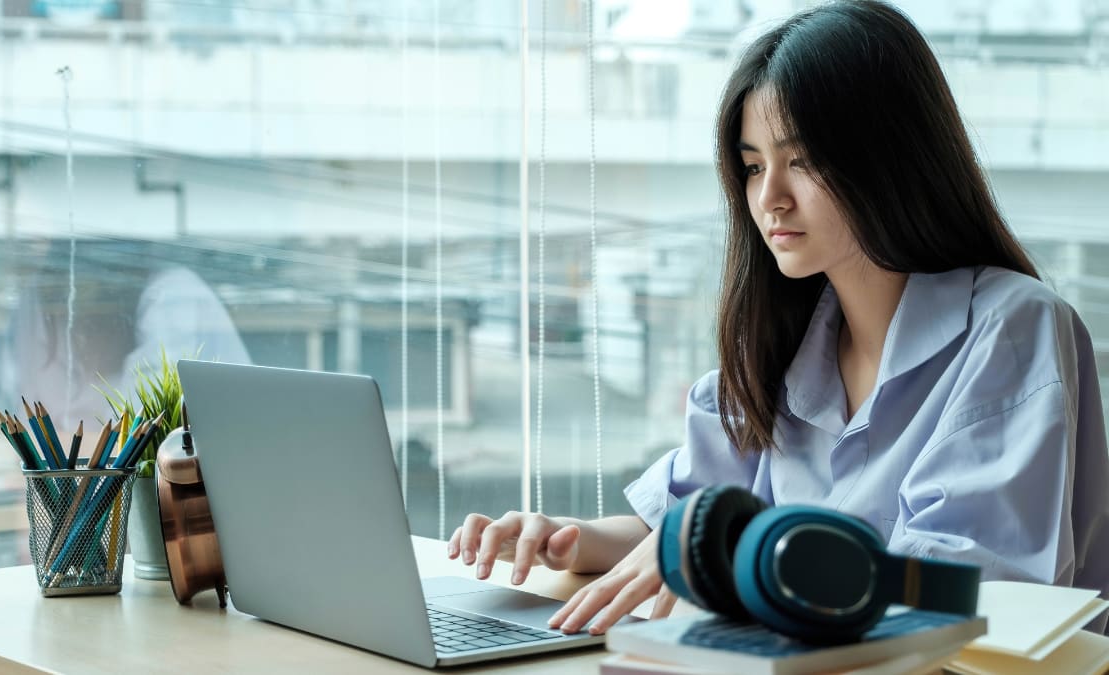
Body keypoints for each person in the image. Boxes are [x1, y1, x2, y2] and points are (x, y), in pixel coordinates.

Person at [448, 0, 1109, 636]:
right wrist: (561, 538)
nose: (770, 198)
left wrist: (728, 552)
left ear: (890, 157)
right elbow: (686, 523)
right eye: (753, 165)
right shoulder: (782, 349)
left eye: (803, 161)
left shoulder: (1012, 328)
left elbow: (962, 590)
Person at [0, 239, 251, 431]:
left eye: (88, 298)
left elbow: (145, 440)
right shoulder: (41, 299)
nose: (72, 323)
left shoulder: (173, 298)